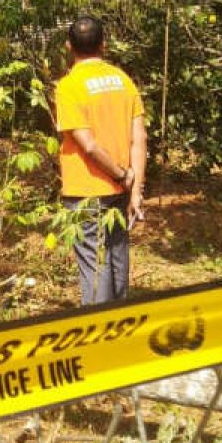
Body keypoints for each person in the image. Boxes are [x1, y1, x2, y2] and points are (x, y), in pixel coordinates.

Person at [55, 15, 147, 305]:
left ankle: (99, 335)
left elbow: (89, 146)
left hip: (86, 190)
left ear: (69, 46)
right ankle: (121, 326)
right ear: (104, 45)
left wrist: (121, 175)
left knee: (95, 268)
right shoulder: (124, 81)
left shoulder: (69, 86)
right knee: (117, 259)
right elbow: (139, 139)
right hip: (120, 191)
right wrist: (134, 187)